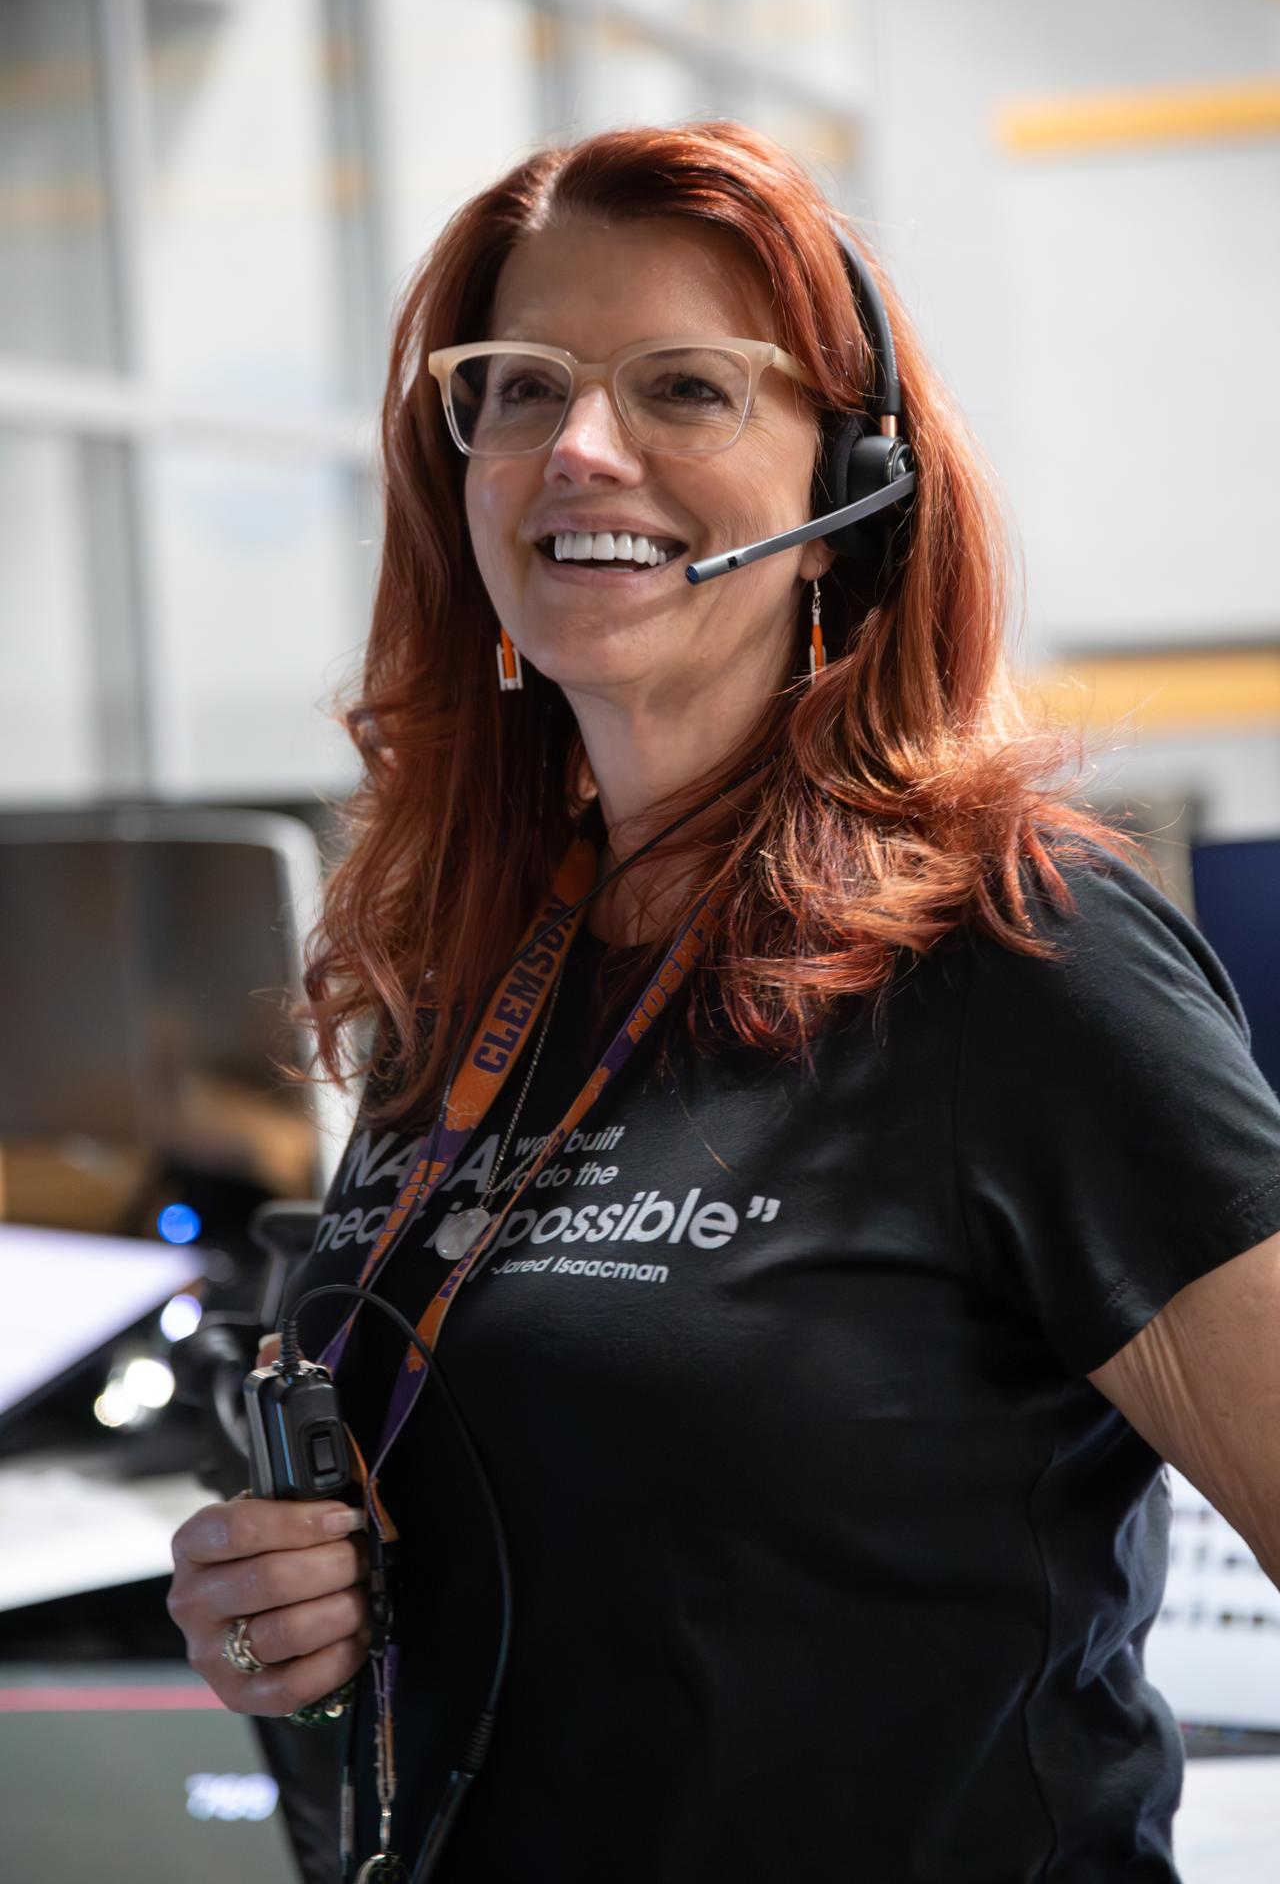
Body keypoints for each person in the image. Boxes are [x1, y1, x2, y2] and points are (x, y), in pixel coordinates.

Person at [167, 120, 1280, 1883]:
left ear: (849, 495)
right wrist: (289, 1636)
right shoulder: (482, 960)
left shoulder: (1018, 952)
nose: (580, 448)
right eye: (520, 389)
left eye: (685, 389)